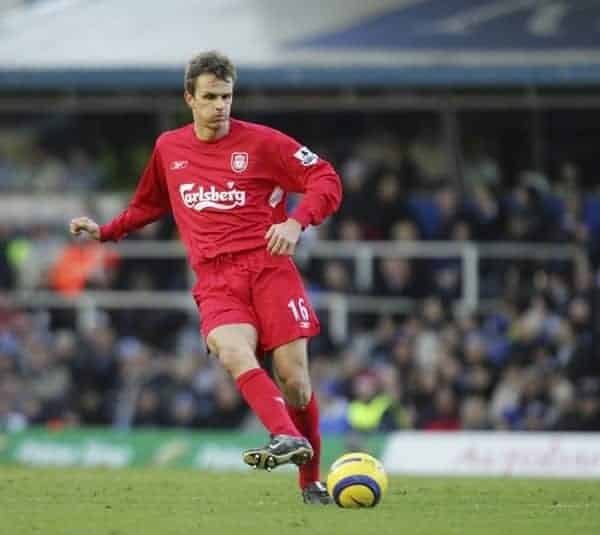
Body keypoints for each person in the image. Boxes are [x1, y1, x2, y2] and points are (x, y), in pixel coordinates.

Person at [69, 51, 342, 504]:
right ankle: (283, 435)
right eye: (211, 97)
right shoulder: (169, 149)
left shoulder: (264, 143)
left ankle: (309, 481)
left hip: (269, 267)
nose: (221, 106)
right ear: (189, 98)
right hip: (216, 278)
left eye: (227, 96)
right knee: (232, 351)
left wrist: (297, 222)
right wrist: (107, 231)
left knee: (294, 379)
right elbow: (149, 204)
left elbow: (325, 178)